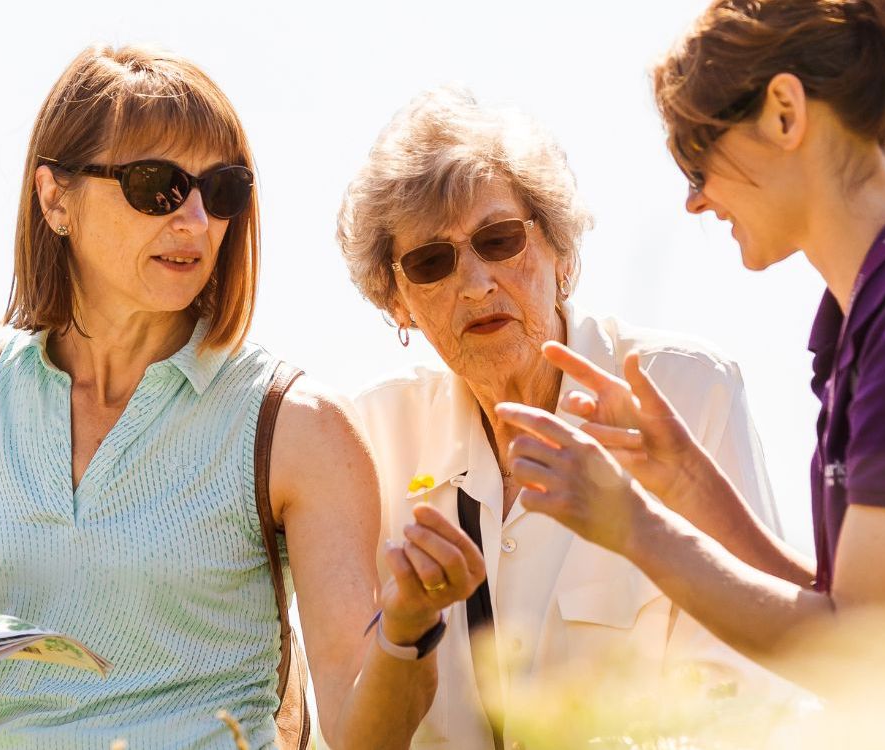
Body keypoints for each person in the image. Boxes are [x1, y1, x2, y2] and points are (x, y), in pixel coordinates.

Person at [495, 0, 885, 688]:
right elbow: (851, 615)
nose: (694, 202)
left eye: (698, 159)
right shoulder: (881, 324)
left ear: (785, 111)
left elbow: (855, 657)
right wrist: (688, 485)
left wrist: (634, 524)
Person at [0, 44, 484, 749]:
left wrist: (407, 629)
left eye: (224, 190)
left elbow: (363, 735)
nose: (198, 221)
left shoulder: (296, 425)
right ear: (56, 199)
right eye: (158, 186)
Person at [337, 86, 800, 747]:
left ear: (562, 255)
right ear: (399, 304)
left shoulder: (684, 391)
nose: (474, 283)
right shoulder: (372, 436)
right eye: (431, 262)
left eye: (498, 241)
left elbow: (740, 685)